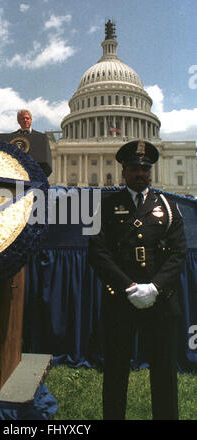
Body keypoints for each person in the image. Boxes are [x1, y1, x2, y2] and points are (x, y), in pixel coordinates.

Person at [88, 140, 187, 420]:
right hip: (120, 299)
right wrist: (129, 287)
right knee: (116, 370)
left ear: (150, 171)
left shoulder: (168, 207)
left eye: (145, 168)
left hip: (161, 301)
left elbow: (178, 253)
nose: (140, 173)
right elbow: (97, 254)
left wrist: (155, 287)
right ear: (123, 171)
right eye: (134, 168)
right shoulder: (103, 207)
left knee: (164, 371)